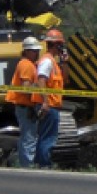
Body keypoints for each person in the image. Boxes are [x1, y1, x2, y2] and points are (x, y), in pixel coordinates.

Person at [5, 37, 43, 167]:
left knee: (27, 137)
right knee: (29, 138)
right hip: (25, 106)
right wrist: (40, 86)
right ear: (26, 51)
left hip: (26, 106)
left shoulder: (28, 64)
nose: (36, 53)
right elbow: (26, 88)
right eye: (34, 51)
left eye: (37, 50)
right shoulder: (26, 65)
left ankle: (25, 164)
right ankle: (28, 166)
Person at [33, 29, 66, 169]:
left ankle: (41, 164)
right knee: (48, 138)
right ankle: (44, 165)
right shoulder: (47, 61)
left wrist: (66, 62)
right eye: (60, 45)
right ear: (56, 45)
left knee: (45, 136)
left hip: (51, 105)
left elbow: (66, 78)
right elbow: (41, 80)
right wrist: (45, 102)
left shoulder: (53, 62)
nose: (62, 48)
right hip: (48, 105)